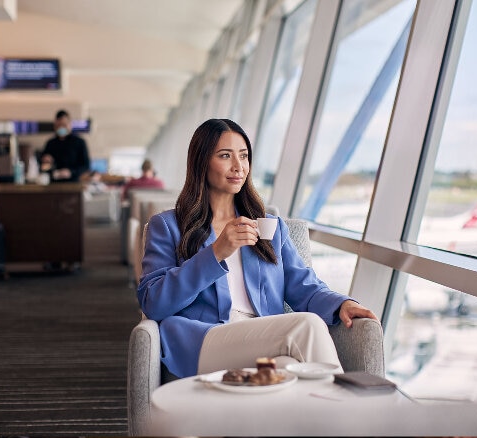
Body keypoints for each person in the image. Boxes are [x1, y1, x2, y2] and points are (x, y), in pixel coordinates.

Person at [137, 118, 377, 379]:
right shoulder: (168, 226)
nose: (238, 166)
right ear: (202, 162)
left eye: (244, 156)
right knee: (306, 325)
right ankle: (351, 409)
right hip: (204, 340)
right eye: (225, 156)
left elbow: (305, 287)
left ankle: (321, 416)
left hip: (264, 336)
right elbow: (154, 302)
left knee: (288, 369)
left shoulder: (269, 227)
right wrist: (216, 252)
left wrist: (341, 303)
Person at [40, 110, 90, 183]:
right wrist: (46, 162)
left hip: (73, 184)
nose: (61, 128)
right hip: (54, 184)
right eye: (58, 125)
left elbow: (86, 166)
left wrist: (71, 172)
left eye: (64, 125)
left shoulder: (79, 142)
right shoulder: (50, 143)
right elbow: (44, 168)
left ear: (70, 124)